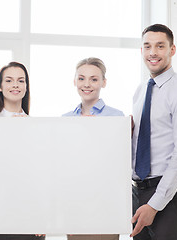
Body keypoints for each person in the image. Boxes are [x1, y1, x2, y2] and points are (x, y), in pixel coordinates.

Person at [131, 24, 177, 240]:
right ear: (141, 51)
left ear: (172, 50)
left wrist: (154, 204)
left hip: (166, 196)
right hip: (137, 192)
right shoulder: (141, 90)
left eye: (160, 46)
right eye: (147, 46)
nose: (152, 52)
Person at [63, 57, 123, 240]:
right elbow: (63, 167)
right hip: (75, 206)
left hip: (106, 206)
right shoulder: (65, 121)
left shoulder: (116, 118)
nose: (86, 84)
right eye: (81, 78)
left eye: (94, 79)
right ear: (74, 81)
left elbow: (118, 165)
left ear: (104, 82)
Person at [0, 61, 45, 240]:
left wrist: (43, 216)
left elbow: (42, 176)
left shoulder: (37, 127)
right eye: (9, 80)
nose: (15, 85)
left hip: (31, 217)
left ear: (26, 87)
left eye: (21, 81)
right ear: (0, 87)